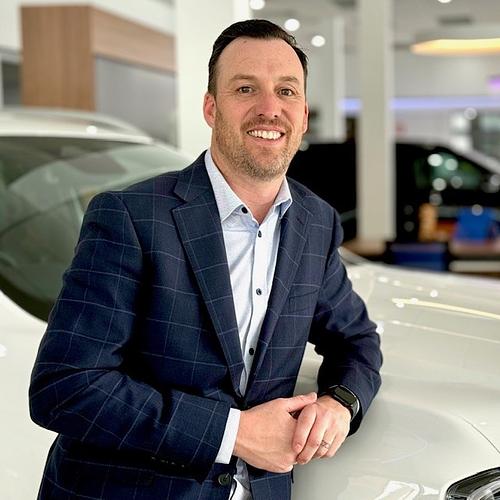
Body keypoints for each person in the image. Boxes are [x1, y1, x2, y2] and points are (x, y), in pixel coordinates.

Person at [29, 19, 382, 500]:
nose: (269, 108)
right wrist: (234, 433)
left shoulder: (315, 222)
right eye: (245, 88)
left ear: (302, 115)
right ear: (211, 108)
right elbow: (65, 387)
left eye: (286, 91)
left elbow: (356, 339)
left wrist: (340, 402)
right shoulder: (131, 217)